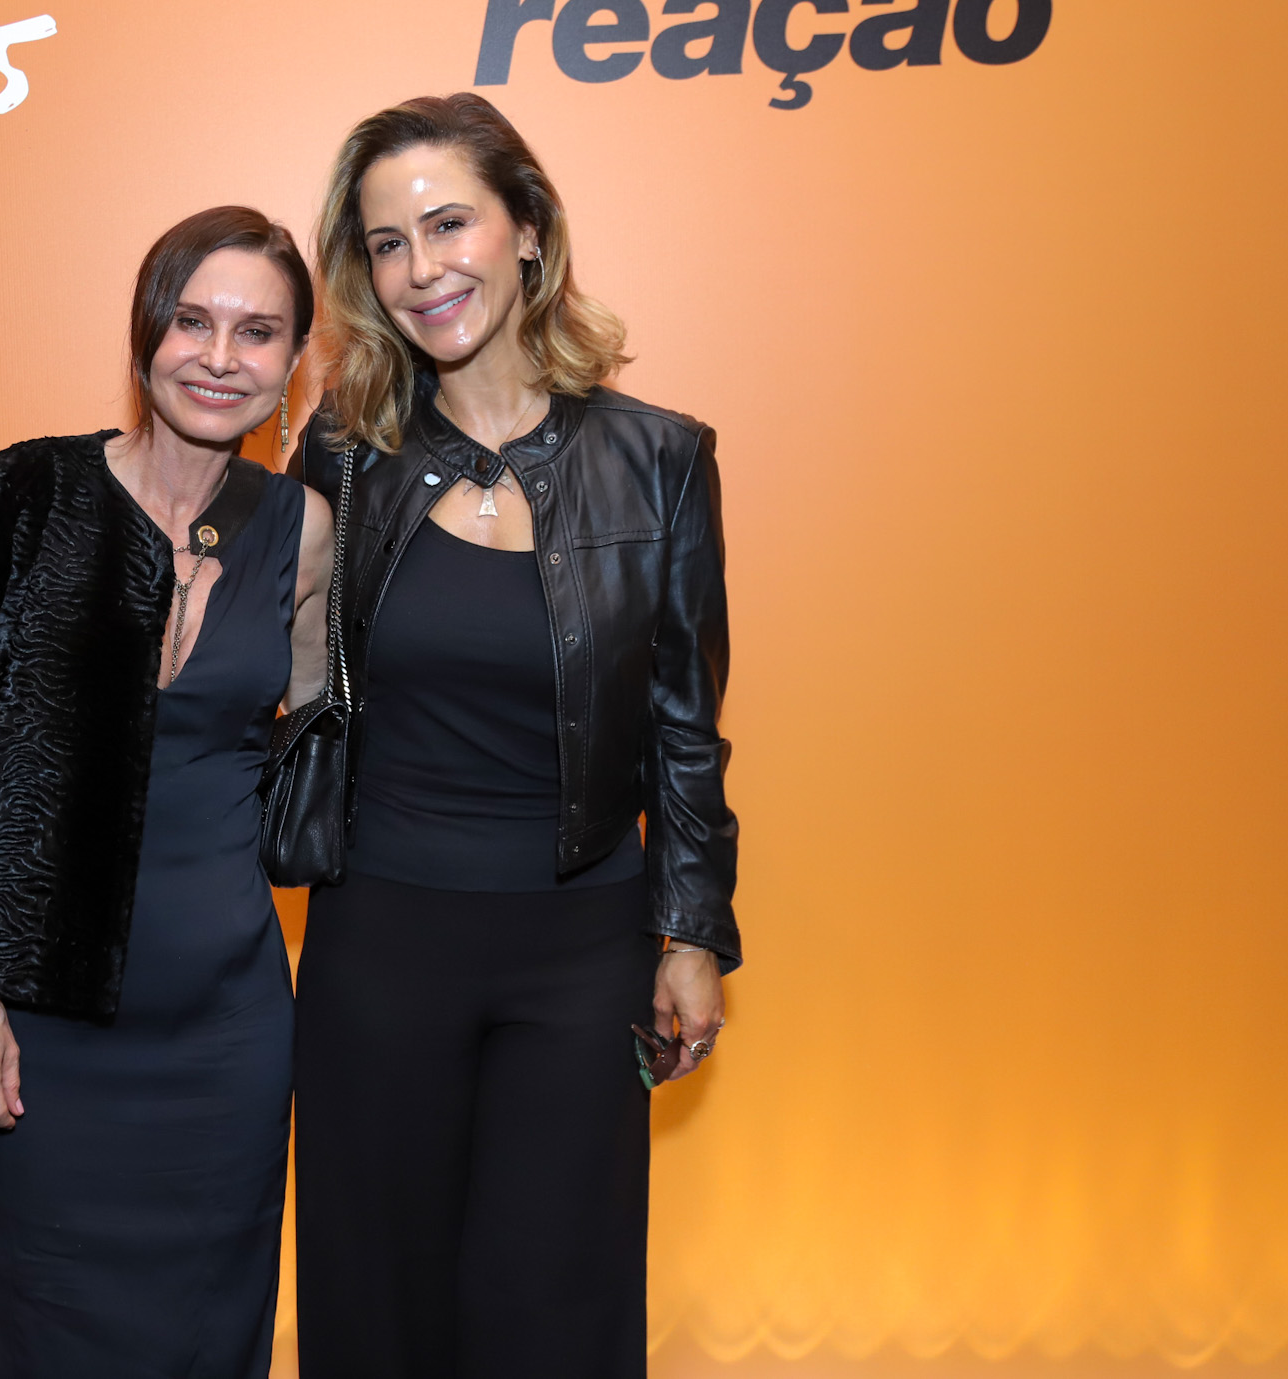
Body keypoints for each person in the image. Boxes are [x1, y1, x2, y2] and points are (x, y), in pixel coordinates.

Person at [0, 206, 332, 1378]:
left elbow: (315, 756)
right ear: (144, 331)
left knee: (208, 1337)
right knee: (39, 1331)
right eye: (192, 321)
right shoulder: (19, 493)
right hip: (37, 1027)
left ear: (293, 363)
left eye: (257, 332)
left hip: (224, 1029)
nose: (220, 357)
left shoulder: (302, 529)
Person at [288, 94, 736, 1379]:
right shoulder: (342, 453)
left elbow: (683, 723)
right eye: (386, 243)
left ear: (527, 228)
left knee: (554, 1313)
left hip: (580, 955)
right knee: (377, 1313)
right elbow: (282, 687)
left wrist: (692, 931)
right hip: (378, 942)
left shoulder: (659, 458)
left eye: (448, 224)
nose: (420, 269)